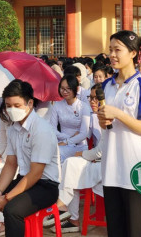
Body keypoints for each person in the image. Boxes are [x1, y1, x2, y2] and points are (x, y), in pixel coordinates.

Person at [0, 80, 60, 237]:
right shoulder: (13, 127)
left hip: (45, 186)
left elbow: (36, 174)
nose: (11, 110)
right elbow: (11, 164)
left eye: (17, 106)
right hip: (23, 180)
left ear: (30, 103)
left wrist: (8, 197)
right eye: (8, 106)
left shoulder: (41, 130)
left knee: (12, 210)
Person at [97, 30, 141, 236]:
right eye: (110, 50)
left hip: (135, 168)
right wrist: (103, 119)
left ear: (133, 53)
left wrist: (118, 114)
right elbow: (104, 125)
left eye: (117, 50)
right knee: (116, 228)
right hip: (111, 166)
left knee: (137, 229)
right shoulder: (107, 85)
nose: (112, 55)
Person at [44, 83, 103, 233]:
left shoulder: (105, 117)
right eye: (91, 97)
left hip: (104, 162)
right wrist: (69, 139)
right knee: (68, 167)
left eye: (98, 98)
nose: (93, 101)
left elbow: (100, 150)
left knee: (70, 165)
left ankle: (62, 206)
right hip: (89, 155)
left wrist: (82, 153)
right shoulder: (95, 115)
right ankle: (70, 215)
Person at [50, 75, 90, 163]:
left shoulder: (83, 107)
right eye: (62, 88)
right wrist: (68, 138)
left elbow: (84, 133)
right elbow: (52, 129)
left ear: (76, 89)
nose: (65, 91)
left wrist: (68, 141)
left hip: (79, 144)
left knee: (56, 153)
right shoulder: (57, 106)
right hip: (61, 142)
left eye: (68, 88)